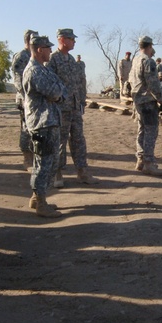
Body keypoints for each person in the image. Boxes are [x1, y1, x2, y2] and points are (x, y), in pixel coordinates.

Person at [47, 28, 98, 186]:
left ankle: (82, 171)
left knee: (78, 140)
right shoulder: (52, 60)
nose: (74, 41)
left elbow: (79, 83)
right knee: (59, 142)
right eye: (71, 39)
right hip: (60, 109)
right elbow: (49, 85)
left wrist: (82, 101)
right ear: (62, 39)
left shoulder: (71, 61)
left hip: (75, 108)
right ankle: (57, 173)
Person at [22, 35, 66, 217]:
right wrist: (57, 91)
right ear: (39, 49)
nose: (50, 51)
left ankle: (37, 198)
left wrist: (58, 91)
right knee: (44, 164)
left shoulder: (43, 69)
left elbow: (61, 86)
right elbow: (56, 91)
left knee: (48, 162)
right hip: (42, 124)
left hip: (49, 122)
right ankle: (41, 203)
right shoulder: (35, 71)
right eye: (47, 48)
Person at [128, 35, 162, 175]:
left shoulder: (136, 60)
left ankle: (140, 160)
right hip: (148, 101)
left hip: (137, 100)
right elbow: (153, 83)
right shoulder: (148, 61)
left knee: (141, 130)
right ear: (149, 46)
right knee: (150, 131)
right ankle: (148, 163)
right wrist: (161, 100)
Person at [13, 30, 39, 169]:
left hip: (37, 100)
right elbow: (18, 80)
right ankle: (27, 158)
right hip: (25, 99)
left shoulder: (36, 55)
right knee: (26, 128)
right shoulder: (21, 56)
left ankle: (35, 156)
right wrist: (26, 97)